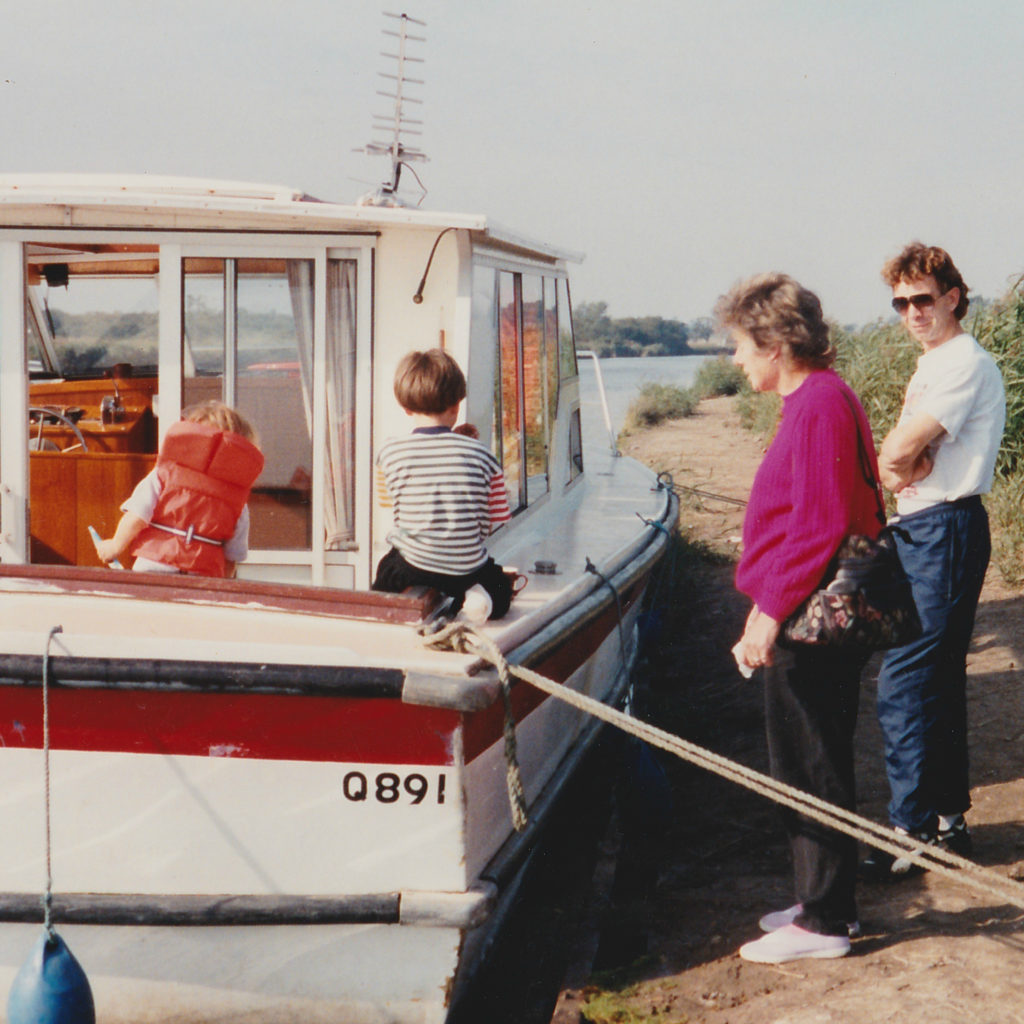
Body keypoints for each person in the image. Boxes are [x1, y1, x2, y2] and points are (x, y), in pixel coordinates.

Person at [720, 273, 882, 964]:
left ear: (777, 343)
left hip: (807, 618)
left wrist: (766, 613)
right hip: (810, 610)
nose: (734, 360)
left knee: (810, 759)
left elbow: (818, 524)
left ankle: (823, 924)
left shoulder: (815, 403)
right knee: (812, 755)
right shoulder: (822, 396)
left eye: (739, 346)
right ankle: (825, 901)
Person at [860, 243, 1005, 879]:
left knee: (906, 679)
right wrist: (908, 462)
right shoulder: (938, 362)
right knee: (938, 677)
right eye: (900, 302)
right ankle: (949, 822)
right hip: (930, 525)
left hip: (943, 527)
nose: (911, 312)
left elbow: (897, 453)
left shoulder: (961, 364)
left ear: (952, 297)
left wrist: (908, 462)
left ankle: (909, 833)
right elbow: (902, 458)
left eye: (923, 298)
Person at [371, 348, 514, 620]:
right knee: (500, 590)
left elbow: (388, 503)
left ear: (405, 407)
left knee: (386, 573)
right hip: (467, 567)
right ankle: (477, 597)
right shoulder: (483, 454)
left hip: (413, 563)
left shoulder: (389, 453)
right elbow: (497, 517)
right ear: (456, 406)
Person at [95, 401, 264, 578]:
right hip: (202, 576)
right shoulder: (237, 501)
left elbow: (136, 517)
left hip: (155, 565)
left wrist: (115, 546)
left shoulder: (164, 474)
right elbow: (232, 556)